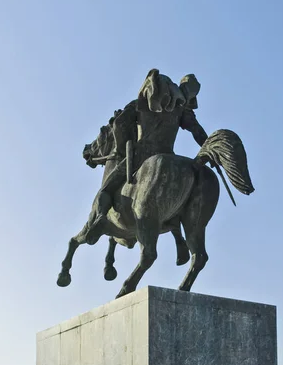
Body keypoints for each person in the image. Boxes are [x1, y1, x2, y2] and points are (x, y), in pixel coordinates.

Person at [86, 69, 208, 244]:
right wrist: (207, 148)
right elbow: (198, 132)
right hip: (168, 156)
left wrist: (122, 149)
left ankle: (99, 220)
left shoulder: (140, 104)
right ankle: (179, 238)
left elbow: (119, 124)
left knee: (106, 189)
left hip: (138, 157)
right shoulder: (182, 111)